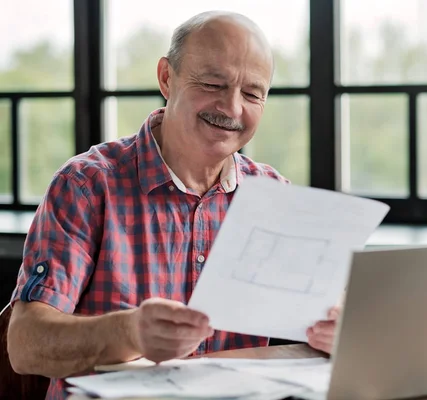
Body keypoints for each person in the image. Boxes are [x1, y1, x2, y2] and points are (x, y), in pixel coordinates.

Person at [7, 11, 340, 399]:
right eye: (214, 83)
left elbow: (325, 314)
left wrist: (340, 328)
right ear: (167, 78)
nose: (232, 108)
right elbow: (24, 344)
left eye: (252, 93)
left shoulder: (272, 194)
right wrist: (128, 332)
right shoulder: (88, 184)